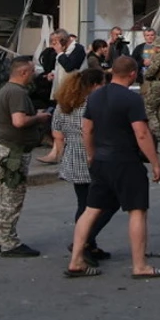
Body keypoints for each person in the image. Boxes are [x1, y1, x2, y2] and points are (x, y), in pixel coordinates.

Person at [65, 56, 160, 279]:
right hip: (126, 161)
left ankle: (76, 260)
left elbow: (87, 130)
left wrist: (92, 156)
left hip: (101, 160)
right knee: (137, 211)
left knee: (91, 210)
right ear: (132, 74)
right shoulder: (132, 99)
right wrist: (156, 163)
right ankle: (140, 265)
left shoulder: (95, 97)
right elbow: (141, 133)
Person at [49, 65, 112, 264]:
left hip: (72, 155)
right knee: (103, 203)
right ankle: (84, 242)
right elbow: (91, 131)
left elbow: (57, 132)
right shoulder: (92, 104)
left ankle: (88, 244)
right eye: (102, 83)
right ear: (94, 85)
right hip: (90, 154)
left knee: (83, 202)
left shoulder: (64, 103)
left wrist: (60, 151)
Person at [0, 56, 49, 257]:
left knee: (0, 196)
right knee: (12, 197)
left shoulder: (7, 89)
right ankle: (9, 242)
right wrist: (39, 117)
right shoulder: (17, 93)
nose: (34, 75)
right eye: (32, 71)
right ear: (23, 73)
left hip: (2, 148)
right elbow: (19, 121)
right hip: (13, 152)